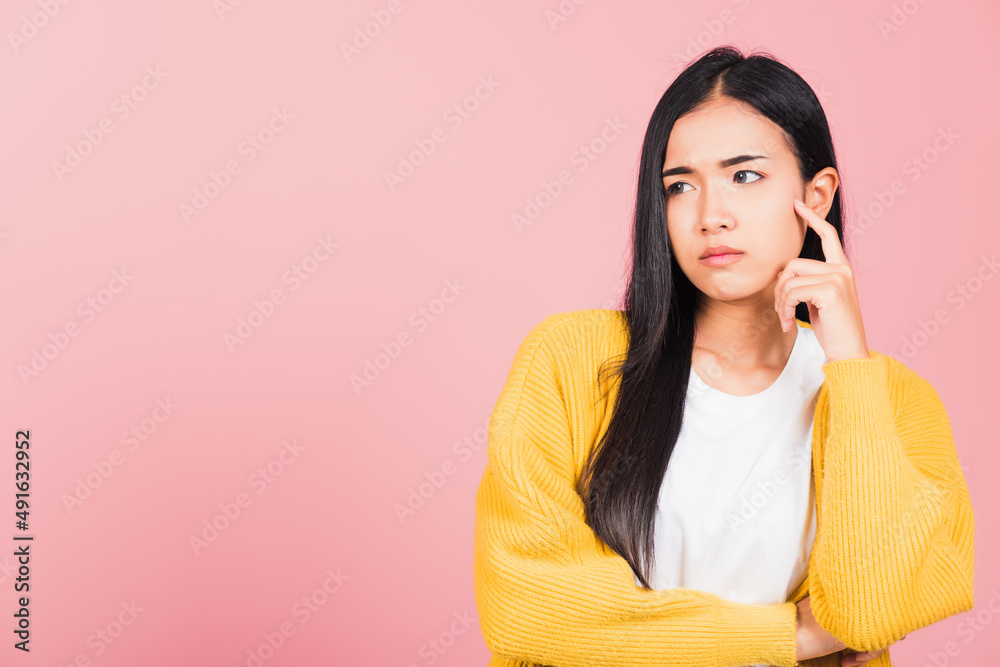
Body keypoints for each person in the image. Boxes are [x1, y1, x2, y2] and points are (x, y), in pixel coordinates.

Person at [472, 45, 975, 667]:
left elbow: (871, 610)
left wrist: (849, 363)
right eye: (681, 186)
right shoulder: (572, 360)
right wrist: (790, 638)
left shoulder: (895, 402)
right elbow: (531, 613)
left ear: (816, 197)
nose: (712, 216)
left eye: (745, 176)